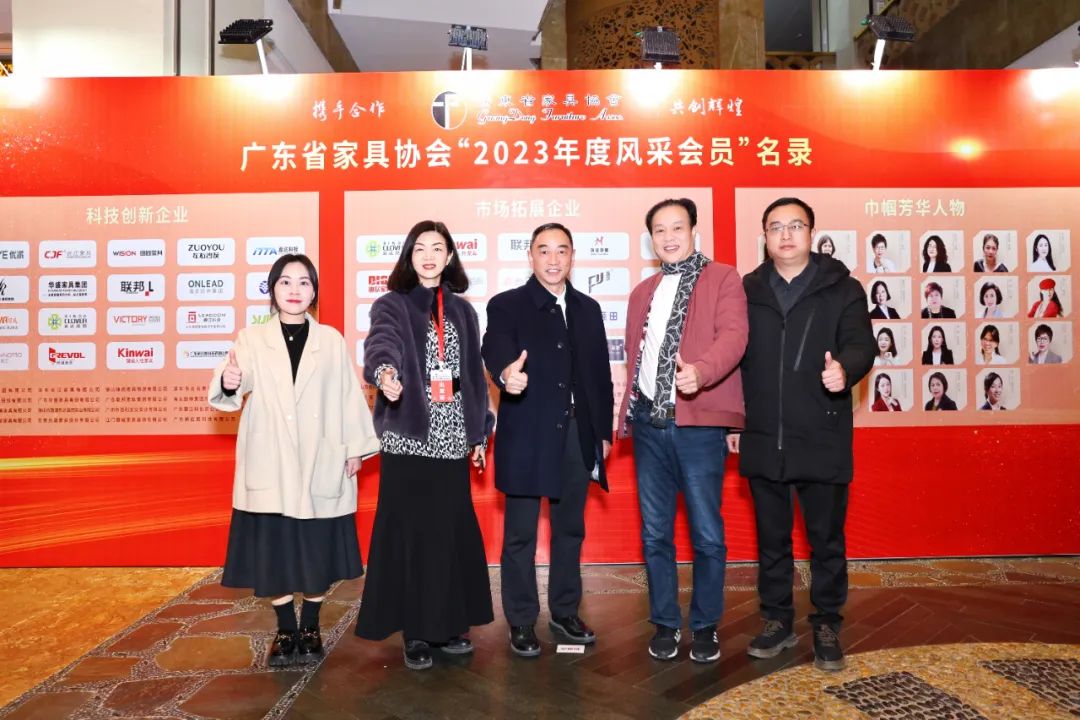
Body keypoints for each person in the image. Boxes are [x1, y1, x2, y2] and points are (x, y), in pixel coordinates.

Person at [209, 253, 379, 668]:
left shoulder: (331, 340)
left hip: (321, 455)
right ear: (272, 289)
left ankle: (312, 625)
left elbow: (347, 396)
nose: (295, 290)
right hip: (272, 458)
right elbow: (234, 381)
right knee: (276, 550)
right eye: (285, 281)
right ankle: (286, 628)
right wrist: (229, 381)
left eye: (304, 282)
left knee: (317, 548)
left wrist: (355, 448)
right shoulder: (251, 338)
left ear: (314, 291)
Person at [731, 197, 875, 673]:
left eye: (796, 226)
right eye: (776, 227)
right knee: (771, 540)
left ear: (812, 233)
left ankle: (827, 623)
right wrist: (733, 420)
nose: (786, 234)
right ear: (765, 237)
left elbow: (862, 344)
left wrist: (845, 370)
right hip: (763, 434)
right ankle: (777, 621)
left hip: (821, 433)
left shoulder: (843, 288)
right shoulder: (747, 290)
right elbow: (734, 359)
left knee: (825, 540)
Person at [356, 220, 495, 671]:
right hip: (410, 437)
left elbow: (473, 378)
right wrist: (385, 374)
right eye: (420, 248)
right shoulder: (393, 304)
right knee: (411, 536)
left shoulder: (464, 311)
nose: (429, 256)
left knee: (448, 534)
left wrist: (479, 433)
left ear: (450, 256)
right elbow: (382, 344)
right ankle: (415, 630)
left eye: (438, 248)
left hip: (453, 439)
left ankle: (448, 624)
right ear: (409, 256)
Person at [615, 198, 747, 664]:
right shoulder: (641, 292)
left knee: (707, 534)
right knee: (655, 535)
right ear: (651, 238)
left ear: (694, 231)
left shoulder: (723, 278)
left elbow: (734, 336)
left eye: (677, 227)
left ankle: (705, 625)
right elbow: (636, 358)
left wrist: (702, 372)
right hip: (649, 426)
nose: (669, 237)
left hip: (698, 425)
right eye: (660, 229)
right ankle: (666, 624)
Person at [482, 222, 614, 658]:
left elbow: (600, 375)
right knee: (520, 533)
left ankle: (565, 611)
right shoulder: (508, 304)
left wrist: (602, 433)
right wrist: (507, 373)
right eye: (544, 251)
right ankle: (521, 620)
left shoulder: (588, 308)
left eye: (561, 251)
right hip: (528, 433)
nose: (553, 260)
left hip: (577, 433)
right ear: (531, 256)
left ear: (572, 256)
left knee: (569, 529)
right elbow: (494, 346)